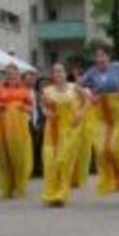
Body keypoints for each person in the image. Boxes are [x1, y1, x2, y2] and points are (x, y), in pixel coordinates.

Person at [81, 40, 119, 196]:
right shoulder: (92, 72)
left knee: (115, 147)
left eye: (103, 56)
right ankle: (110, 180)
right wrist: (88, 93)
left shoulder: (117, 67)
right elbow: (78, 85)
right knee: (102, 149)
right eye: (97, 56)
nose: (100, 59)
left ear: (108, 57)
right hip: (101, 114)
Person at [40, 63, 91, 207]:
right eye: (55, 71)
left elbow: (88, 100)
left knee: (64, 161)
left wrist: (80, 114)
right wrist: (46, 113)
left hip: (70, 130)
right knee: (50, 161)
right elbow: (43, 106)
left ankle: (62, 193)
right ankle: (50, 193)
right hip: (52, 129)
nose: (57, 74)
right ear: (52, 75)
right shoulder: (47, 90)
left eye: (60, 71)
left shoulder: (74, 87)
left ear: (65, 73)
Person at [0, 63, 34, 199]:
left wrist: (24, 107)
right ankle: (7, 187)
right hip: (1, 128)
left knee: (18, 158)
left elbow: (31, 108)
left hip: (19, 129)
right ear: (5, 75)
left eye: (14, 73)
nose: (11, 76)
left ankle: (19, 186)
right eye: (9, 73)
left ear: (18, 75)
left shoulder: (24, 90)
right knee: (3, 157)